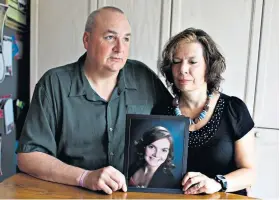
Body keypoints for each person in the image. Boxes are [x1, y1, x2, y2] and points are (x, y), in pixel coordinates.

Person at [16, 6, 172, 195]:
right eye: (110, 37)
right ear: (87, 40)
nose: (120, 48)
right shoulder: (54, 83)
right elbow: (28, 156)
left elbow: (181, 122)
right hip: (68, 194)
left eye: (126, 39)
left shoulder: (143, 77)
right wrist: (84, 177)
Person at [152, 28, 255, 196]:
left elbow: (249, 173)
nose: (183, 69)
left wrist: (217, 183)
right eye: (176, 61)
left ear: (209, 66)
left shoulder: (233, 109)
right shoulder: (161, 111)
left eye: (192, 62)